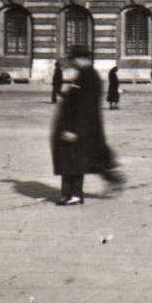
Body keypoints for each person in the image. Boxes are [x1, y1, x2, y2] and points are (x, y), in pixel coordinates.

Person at [49, 47, 124, 206]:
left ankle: (75, 194)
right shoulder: (83, 75)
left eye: (74, 59)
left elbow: (86, 106)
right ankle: (68, 194)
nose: (72, 62)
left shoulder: (89, 76)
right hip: (75, 127)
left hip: (78, 129)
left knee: (75, 161)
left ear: (82, 59)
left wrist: (74, 130)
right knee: (70, 160)